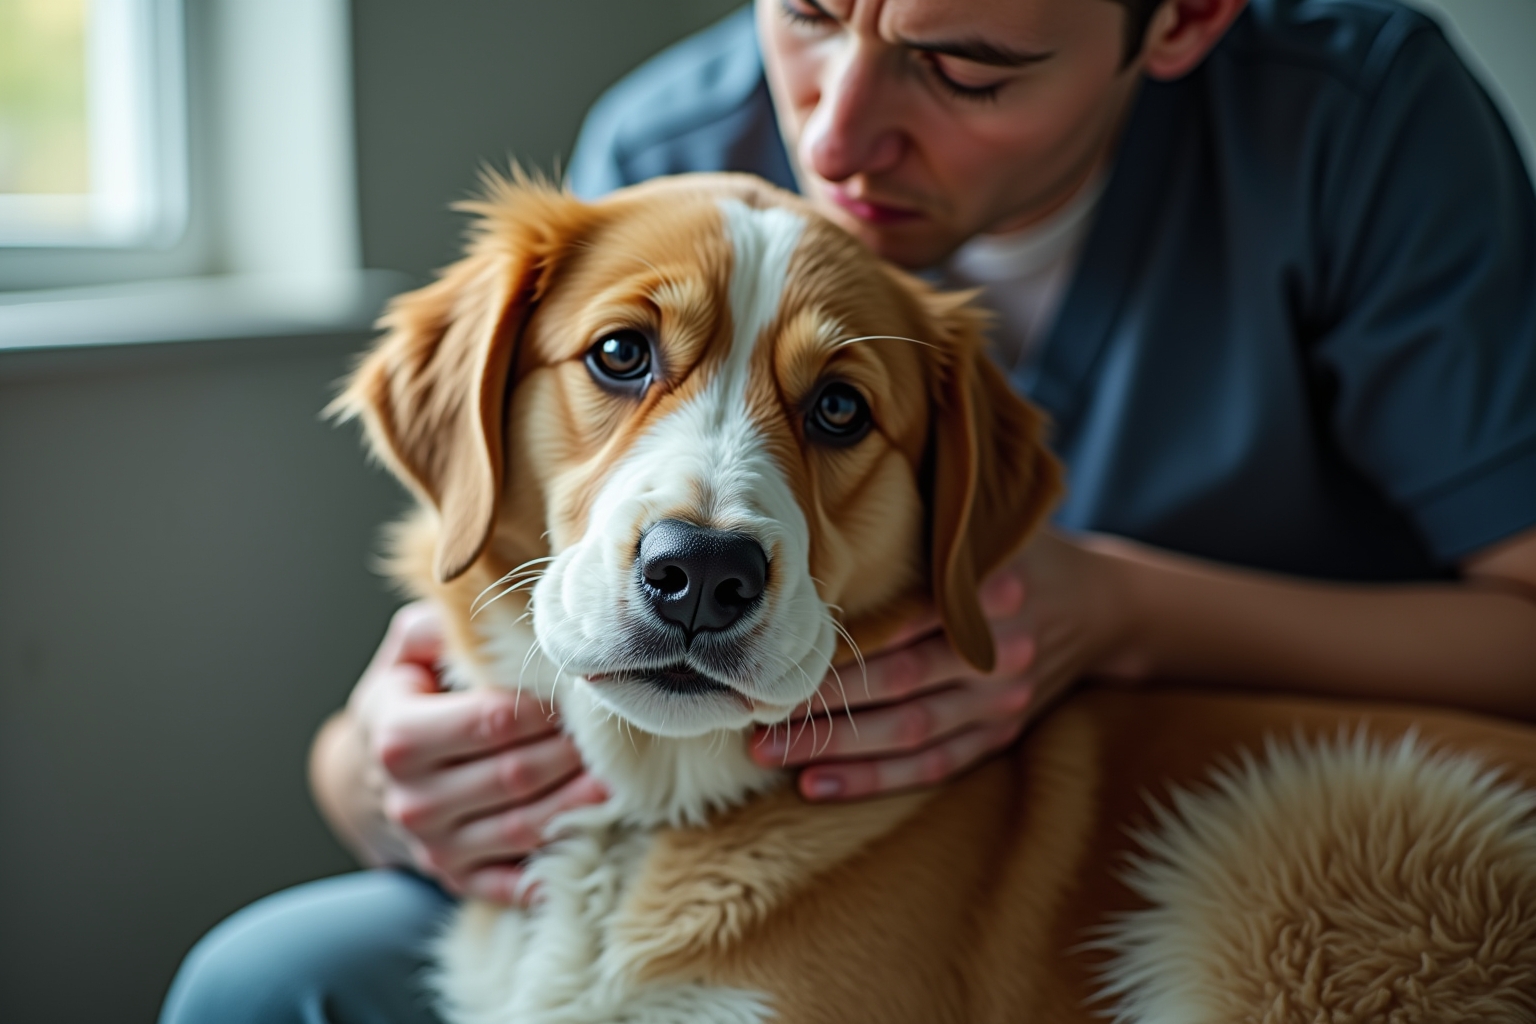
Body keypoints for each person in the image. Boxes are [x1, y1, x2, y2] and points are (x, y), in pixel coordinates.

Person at [161, 0, 1536, 1021]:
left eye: (966, 65)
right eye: (811, 13)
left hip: (1149, 829)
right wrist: (371, 771)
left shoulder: (1353, 125)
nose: (832, 132)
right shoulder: (666, 145)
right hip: (633, 811)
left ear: (1178, 22)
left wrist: (1119, 606)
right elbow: (499, 524)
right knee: (259, 982)